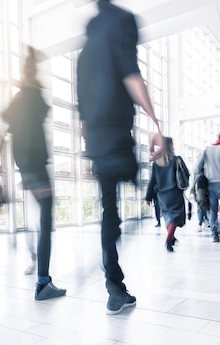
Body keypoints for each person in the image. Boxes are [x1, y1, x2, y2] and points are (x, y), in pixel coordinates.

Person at [77, 0, 164, 315]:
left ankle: (115, 288)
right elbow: (131, 74)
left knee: (108, 212)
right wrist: (156, 124)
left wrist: (88, 152)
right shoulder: (124, 21)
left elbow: (82, 107)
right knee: (129, 179)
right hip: (116, 135)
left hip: (99, 142)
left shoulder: (85, 47)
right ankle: (116, 282)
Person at [2, 46, 66, 300]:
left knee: (41, 221)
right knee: (46, 222)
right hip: (36, 166)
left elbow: (10, 129)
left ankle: (42, 278)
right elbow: (33, 129)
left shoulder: (18, 98)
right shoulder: (33, 95)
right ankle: (42, 282)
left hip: (27, 166)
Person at [145, 137, 189, 251]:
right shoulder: (177, 159)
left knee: (168, 217)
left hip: (162, 196)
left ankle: (172, 237)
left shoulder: (156, 163)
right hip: (175, 192)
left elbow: (152, 180)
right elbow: (186, 174)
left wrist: (148, 197)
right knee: (175, 217)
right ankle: (168, 241)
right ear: (171, 146)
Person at [190, 156, 210, 231]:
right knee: (202, 207)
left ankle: (200, 223)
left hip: (201, 189)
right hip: (198, 189)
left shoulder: (202, 168)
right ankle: (205, 221)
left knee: (201, 207)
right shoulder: (198, 169)